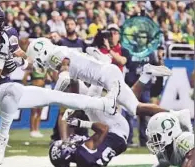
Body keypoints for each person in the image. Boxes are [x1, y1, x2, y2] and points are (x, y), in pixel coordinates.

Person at [0, 3, 118, 165]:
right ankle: (1, 139)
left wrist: (19, 62)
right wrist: (1, 59)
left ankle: (103, 103)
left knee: (56, 96)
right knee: (15, 88)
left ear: (1, 21)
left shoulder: (9, 34)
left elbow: (25, 59)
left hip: (8, 96)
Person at [26, 38, 191, 127]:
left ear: (42, 52)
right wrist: (72, 104)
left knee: (133, 108)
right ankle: (148, 77)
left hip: (106, 77)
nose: (38, 64)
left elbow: (64, 76)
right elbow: (73, 83)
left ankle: (174, 112)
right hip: (103, 77)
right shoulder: (59, 52)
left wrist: (51, 96)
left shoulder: (57, 55)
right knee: (131, 105)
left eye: (36, 59)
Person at [49, 63, 172, 167]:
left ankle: (146, 74)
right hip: (115, 131)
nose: (68, 140)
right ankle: (100, 69)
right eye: (64, 144)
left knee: (128, 103)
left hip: (118, 139)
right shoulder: (82, 153)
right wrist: (81, 123)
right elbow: (103, 129)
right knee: (90, 104)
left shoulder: (82, 161)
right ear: (66, 152)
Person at [100, 112, 194, 167]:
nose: (153, 141)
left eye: (156, 137)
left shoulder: (185, 141)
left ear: (169, 133)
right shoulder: (166, 149)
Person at [22, 66, 52, 138]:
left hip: (42, 91)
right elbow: (24, 79)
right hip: (34, 92)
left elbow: (49, 80)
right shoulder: (33, 69)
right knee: (33, 112)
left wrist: (48, 76)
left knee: (39, 112)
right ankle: (32, 130)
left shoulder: (45, 69)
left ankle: (37, 130)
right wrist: (28, 87)